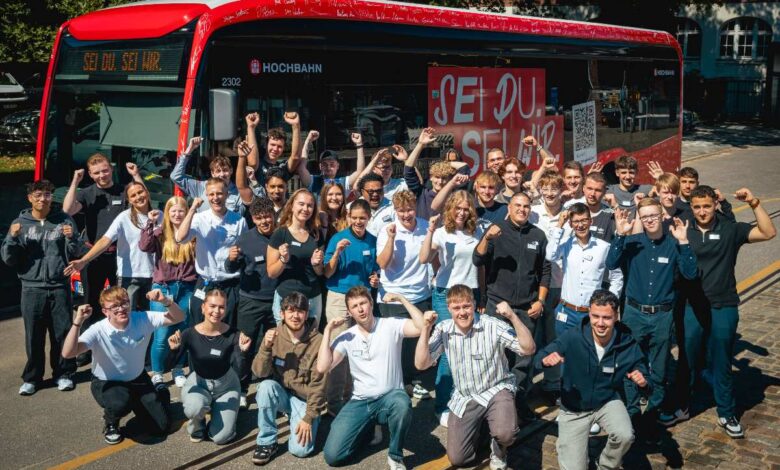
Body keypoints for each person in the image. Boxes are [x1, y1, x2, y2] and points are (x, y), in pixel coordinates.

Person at [662, 186, 776, 438]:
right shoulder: (682, 230)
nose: (702, 211)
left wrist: (754, 203)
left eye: (707, 206)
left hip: (723, 305)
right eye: (697, 207)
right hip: (691, 306)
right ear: (691, 207)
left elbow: (768, 232)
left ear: (715, 204)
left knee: (722, 360)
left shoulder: (729, 229)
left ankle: (726, 411)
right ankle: (682, 405)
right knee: (687, 360)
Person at [605, 198, 697, 440]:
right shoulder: (632, 242)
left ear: (662, 216)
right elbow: (611, 263)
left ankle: (653, 411)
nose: (649, 220)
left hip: (662, 316)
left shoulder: (674, 244)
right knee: (629, 364)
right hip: (634, 313)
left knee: (659, 367)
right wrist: (620, 235)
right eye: (644, 217)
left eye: (653, 215)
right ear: (640, 218)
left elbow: (690, 273)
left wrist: (684, 241)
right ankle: (633, 411)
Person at [414, 286, 535, 469]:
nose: (462, 312)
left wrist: (512, 316)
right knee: (458, 459)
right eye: (457, 308)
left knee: (506, 433)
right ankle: (484, 430)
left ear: (474, 305)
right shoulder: (443, 329)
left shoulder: (492, 325)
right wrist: (425, 328)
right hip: (465, 396)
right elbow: (421, 364)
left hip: (496, 389)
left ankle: (499, 450)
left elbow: (528, 349)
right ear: (449, 309)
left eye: (466, 306)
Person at [535, 290, 649, 470]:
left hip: (607, 400)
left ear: (616, 316)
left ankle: (606, 465)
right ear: (589, 313)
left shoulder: (626, 341)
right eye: (596, 316)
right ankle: (573, 450)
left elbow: (641, 365)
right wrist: (546, 360)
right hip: (574, 408)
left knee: (625, 435)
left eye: (607, 318)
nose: (600, 323)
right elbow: (540, 356)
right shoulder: (573, 336)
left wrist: (642, 378)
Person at [317, 286, 425, 470]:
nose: (360, 309)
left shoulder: (390, 325)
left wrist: (402, 299)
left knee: (401, 403)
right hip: (361, 401)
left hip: (390, 396)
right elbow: (322, 367)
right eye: (354, 306)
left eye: (363, 303)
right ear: (349, 312)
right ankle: (368, 428)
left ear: (371, 303)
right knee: (333, 456)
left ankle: (395, 456)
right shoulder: (346, 336)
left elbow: (421, 326)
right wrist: (327, 331)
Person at [61, 287, 184, 444]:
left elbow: (179, 317)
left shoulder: (143, 318)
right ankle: (111, 421)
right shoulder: (98, 330)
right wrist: (77, 323)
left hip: (138, 379)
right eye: (114, 306)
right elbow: (68, 353)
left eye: (124, 303)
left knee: (160, 428)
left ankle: (156, 393)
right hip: (107, 382)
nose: (121, 309)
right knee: (120, 403)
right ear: (105, 311)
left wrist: (165, 301)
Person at [473, 192, 551, 421]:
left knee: (523, 361)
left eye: (526, 206)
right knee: (496, 358)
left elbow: (544, 271)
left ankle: (519, 406)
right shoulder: (496, 231)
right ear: (509, 207)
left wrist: (540, 301)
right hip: (498, 305)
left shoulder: (538, 235)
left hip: (526, 308)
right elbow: (477, 261)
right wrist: (486, 238)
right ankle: (493, 409)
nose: (522, 210)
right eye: (518, 205)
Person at [3, 180, 82, 395]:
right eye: (37, 195)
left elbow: (76, 251)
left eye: (47, 194)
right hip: (31, 288)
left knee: (62, 334)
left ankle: (64, 374)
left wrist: (71, 236)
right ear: (30, 198)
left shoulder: (63, 220)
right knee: (34, 335)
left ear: (51, 197)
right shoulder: (20, 223)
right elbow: (8, 259)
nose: (42, 199)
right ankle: (32, 378)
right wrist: (12, 237)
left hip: (59, 286)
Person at [62, 154, 141, 362]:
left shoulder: (124, 190)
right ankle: (86, 347)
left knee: (120, 301)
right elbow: (67, 210)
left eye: (105, 170)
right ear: (90, 174)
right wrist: (75, 182)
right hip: (93, 255)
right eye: (96, 172)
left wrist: (136, 175)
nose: (102, 175)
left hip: (120, 255)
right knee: (90, 302)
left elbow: (143, 199)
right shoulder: (87, 193)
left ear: (111, 169)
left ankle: (117, 341)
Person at [418, 190, 483, 425]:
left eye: (466, 208)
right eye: (458, 207)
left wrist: (481, 298)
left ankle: (464, 398)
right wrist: (429, 231)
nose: (462, 212)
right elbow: (424, 258)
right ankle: (442, 405)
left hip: (470, 293)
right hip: (446, 294)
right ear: (450, 209)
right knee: (447, 350)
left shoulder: (477, 231)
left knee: (468, 349)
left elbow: (481, 266)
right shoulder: (442, 233)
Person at [167, 288, 251, 444]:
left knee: (220, 438)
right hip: (199, 383)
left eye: (221, 307)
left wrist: (243, 353)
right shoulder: (189, 334)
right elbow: (170, 364)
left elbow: (241, 370)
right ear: (203, 307)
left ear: (226, 309)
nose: (216, 311)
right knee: (194, 407)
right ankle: (197, 425)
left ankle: (219, 416)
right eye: (212, 306)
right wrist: (173, 350)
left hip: (227, 386)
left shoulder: (234, 334)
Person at [252, 293, 326, 464]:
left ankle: (312, 417)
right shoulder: (274, 334)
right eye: (290, 310)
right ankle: (266, 442)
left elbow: (319, 386)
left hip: (304, 399)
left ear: (307, 314)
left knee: (300, 450)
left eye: (300, 311)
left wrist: (309, 417)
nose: (295, 315)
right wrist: (265, 347)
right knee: (265, 387)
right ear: (282, 313)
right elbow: (259, 372)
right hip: (283, 394)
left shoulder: (319, 341)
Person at [323, 199, 380, 413]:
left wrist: (375, 279)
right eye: (354, 217)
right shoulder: (338, 238)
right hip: (339, 297)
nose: (358, 221)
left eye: (362, 218)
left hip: (362, 298)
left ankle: (351, 398)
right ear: (348, 217)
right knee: (339, 350)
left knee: (360, 350)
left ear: (368, 218)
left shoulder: (373, 241)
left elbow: (374, 270)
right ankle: (334, 402)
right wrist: (337, 252)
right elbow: (327, 271)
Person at [376, 190, 433, 398]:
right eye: (401, 210)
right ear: (395, 210)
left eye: (409, 209)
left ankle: (412, 381)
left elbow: (432, 255)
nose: (405, 214)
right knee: (394, 344)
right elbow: (383, 263)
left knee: (415, 343)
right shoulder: (387, 230)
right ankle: (395, 384)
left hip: (420, 294)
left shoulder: (426, 227)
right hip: (392, 296)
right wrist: (391, 239)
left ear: (415, 208)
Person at [65, 181, 154, 311]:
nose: (138, 197)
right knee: (126, 318)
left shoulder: (161, 215)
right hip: (130, 276)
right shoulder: (124, 217)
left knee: (153, 319)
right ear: (128, 200)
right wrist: (84, 260)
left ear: (147, 192)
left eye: (140, 192)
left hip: (155, 277)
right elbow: (105, 240)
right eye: (133, 195)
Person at [139, 196, 198, 389]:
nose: (177, 214)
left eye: (181, 210)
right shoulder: (160, 233)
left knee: (181, 332)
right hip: (163, 289)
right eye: (173, 210)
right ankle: (157, 372)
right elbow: (144, 246)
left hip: (187, 288)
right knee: (162, 334)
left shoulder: (193, 233)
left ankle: (178, 369)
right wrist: (150, 222)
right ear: (167, 213)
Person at [176, 178, 247, 328]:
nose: (216, 198)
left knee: (227, 329)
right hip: (205, 283)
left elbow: (244, 252)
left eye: (220, 193)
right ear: (206, 196)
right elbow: (180, 238)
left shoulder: (239, 221)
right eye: (211, 194)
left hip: (230, 285)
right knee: (198, 326)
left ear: (227, 194)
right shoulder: (199, 218)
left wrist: (237, 255)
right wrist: (192, 209)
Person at [225, 197, 279, 397]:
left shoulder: (282, 236)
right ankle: (241, 390)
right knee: (244, 346)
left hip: (276, 301)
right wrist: (230, 260)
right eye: (259, 218)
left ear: (274, 216)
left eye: (268, 217)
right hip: (251, 301)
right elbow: (230, 268)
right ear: (253, 219)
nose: (264, 221)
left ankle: (272, 388)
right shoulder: (245, 239)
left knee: (275, 347)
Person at [266, 189, 325, 326]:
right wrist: (283, 260)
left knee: (311, 343)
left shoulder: (316, 234)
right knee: (286, 342)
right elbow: (271, 273)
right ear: (292, 205)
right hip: (287, 300)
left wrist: (316, 264)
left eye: (310, 205)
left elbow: (320, 272)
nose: (305, 208)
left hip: (312, 298)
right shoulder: (280, 234)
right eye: (301, 204)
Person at [403, 128, 469, 220]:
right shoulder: (421, 193)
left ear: (450, 179)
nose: (440, 181)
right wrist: (420, 144)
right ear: (431, 177)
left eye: (444, 178)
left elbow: (464, 167)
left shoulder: (454, 194)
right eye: (437, 177)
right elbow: (408, 169)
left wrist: (444, 164)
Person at [171, 136, 244, 213]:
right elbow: (176, 177)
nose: (222, 174)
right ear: (212, 173)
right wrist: (189, 150)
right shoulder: (201, 187)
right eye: (218, 171)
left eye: (225, 170)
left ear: (231, 171)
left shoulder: (238, 192)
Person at [296, 130, 366, 199]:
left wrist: (359, 144)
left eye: (332, 164)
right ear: (320, 166)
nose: (328, 167)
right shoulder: (313, 181)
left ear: (338, 166)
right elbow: (301, 169)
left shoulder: (343, 182)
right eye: (325, 164)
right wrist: (308, 141)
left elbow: (360, 171)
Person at [245, 111, 302, 184]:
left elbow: (296, 157)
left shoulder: (283, 167)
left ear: (283, 148)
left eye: (279, 146)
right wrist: (251, 127)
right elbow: (252, 163)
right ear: (266, 144)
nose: (275, 149)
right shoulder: (258, 163)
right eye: (272, 144)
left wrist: (296, 126)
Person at [564, 172, 616, 242]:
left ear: (604, 192)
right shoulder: (571, 211)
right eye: (589, 189)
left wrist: (616, 206)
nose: (592, 194)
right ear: (583, 188)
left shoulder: (611, 215)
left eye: (598, 190)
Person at [359, 173, 396, 237]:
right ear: (362, 192)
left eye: (379, 191)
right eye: (370, 191)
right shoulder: (352, 208)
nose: (375, 194)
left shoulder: (393, 207)